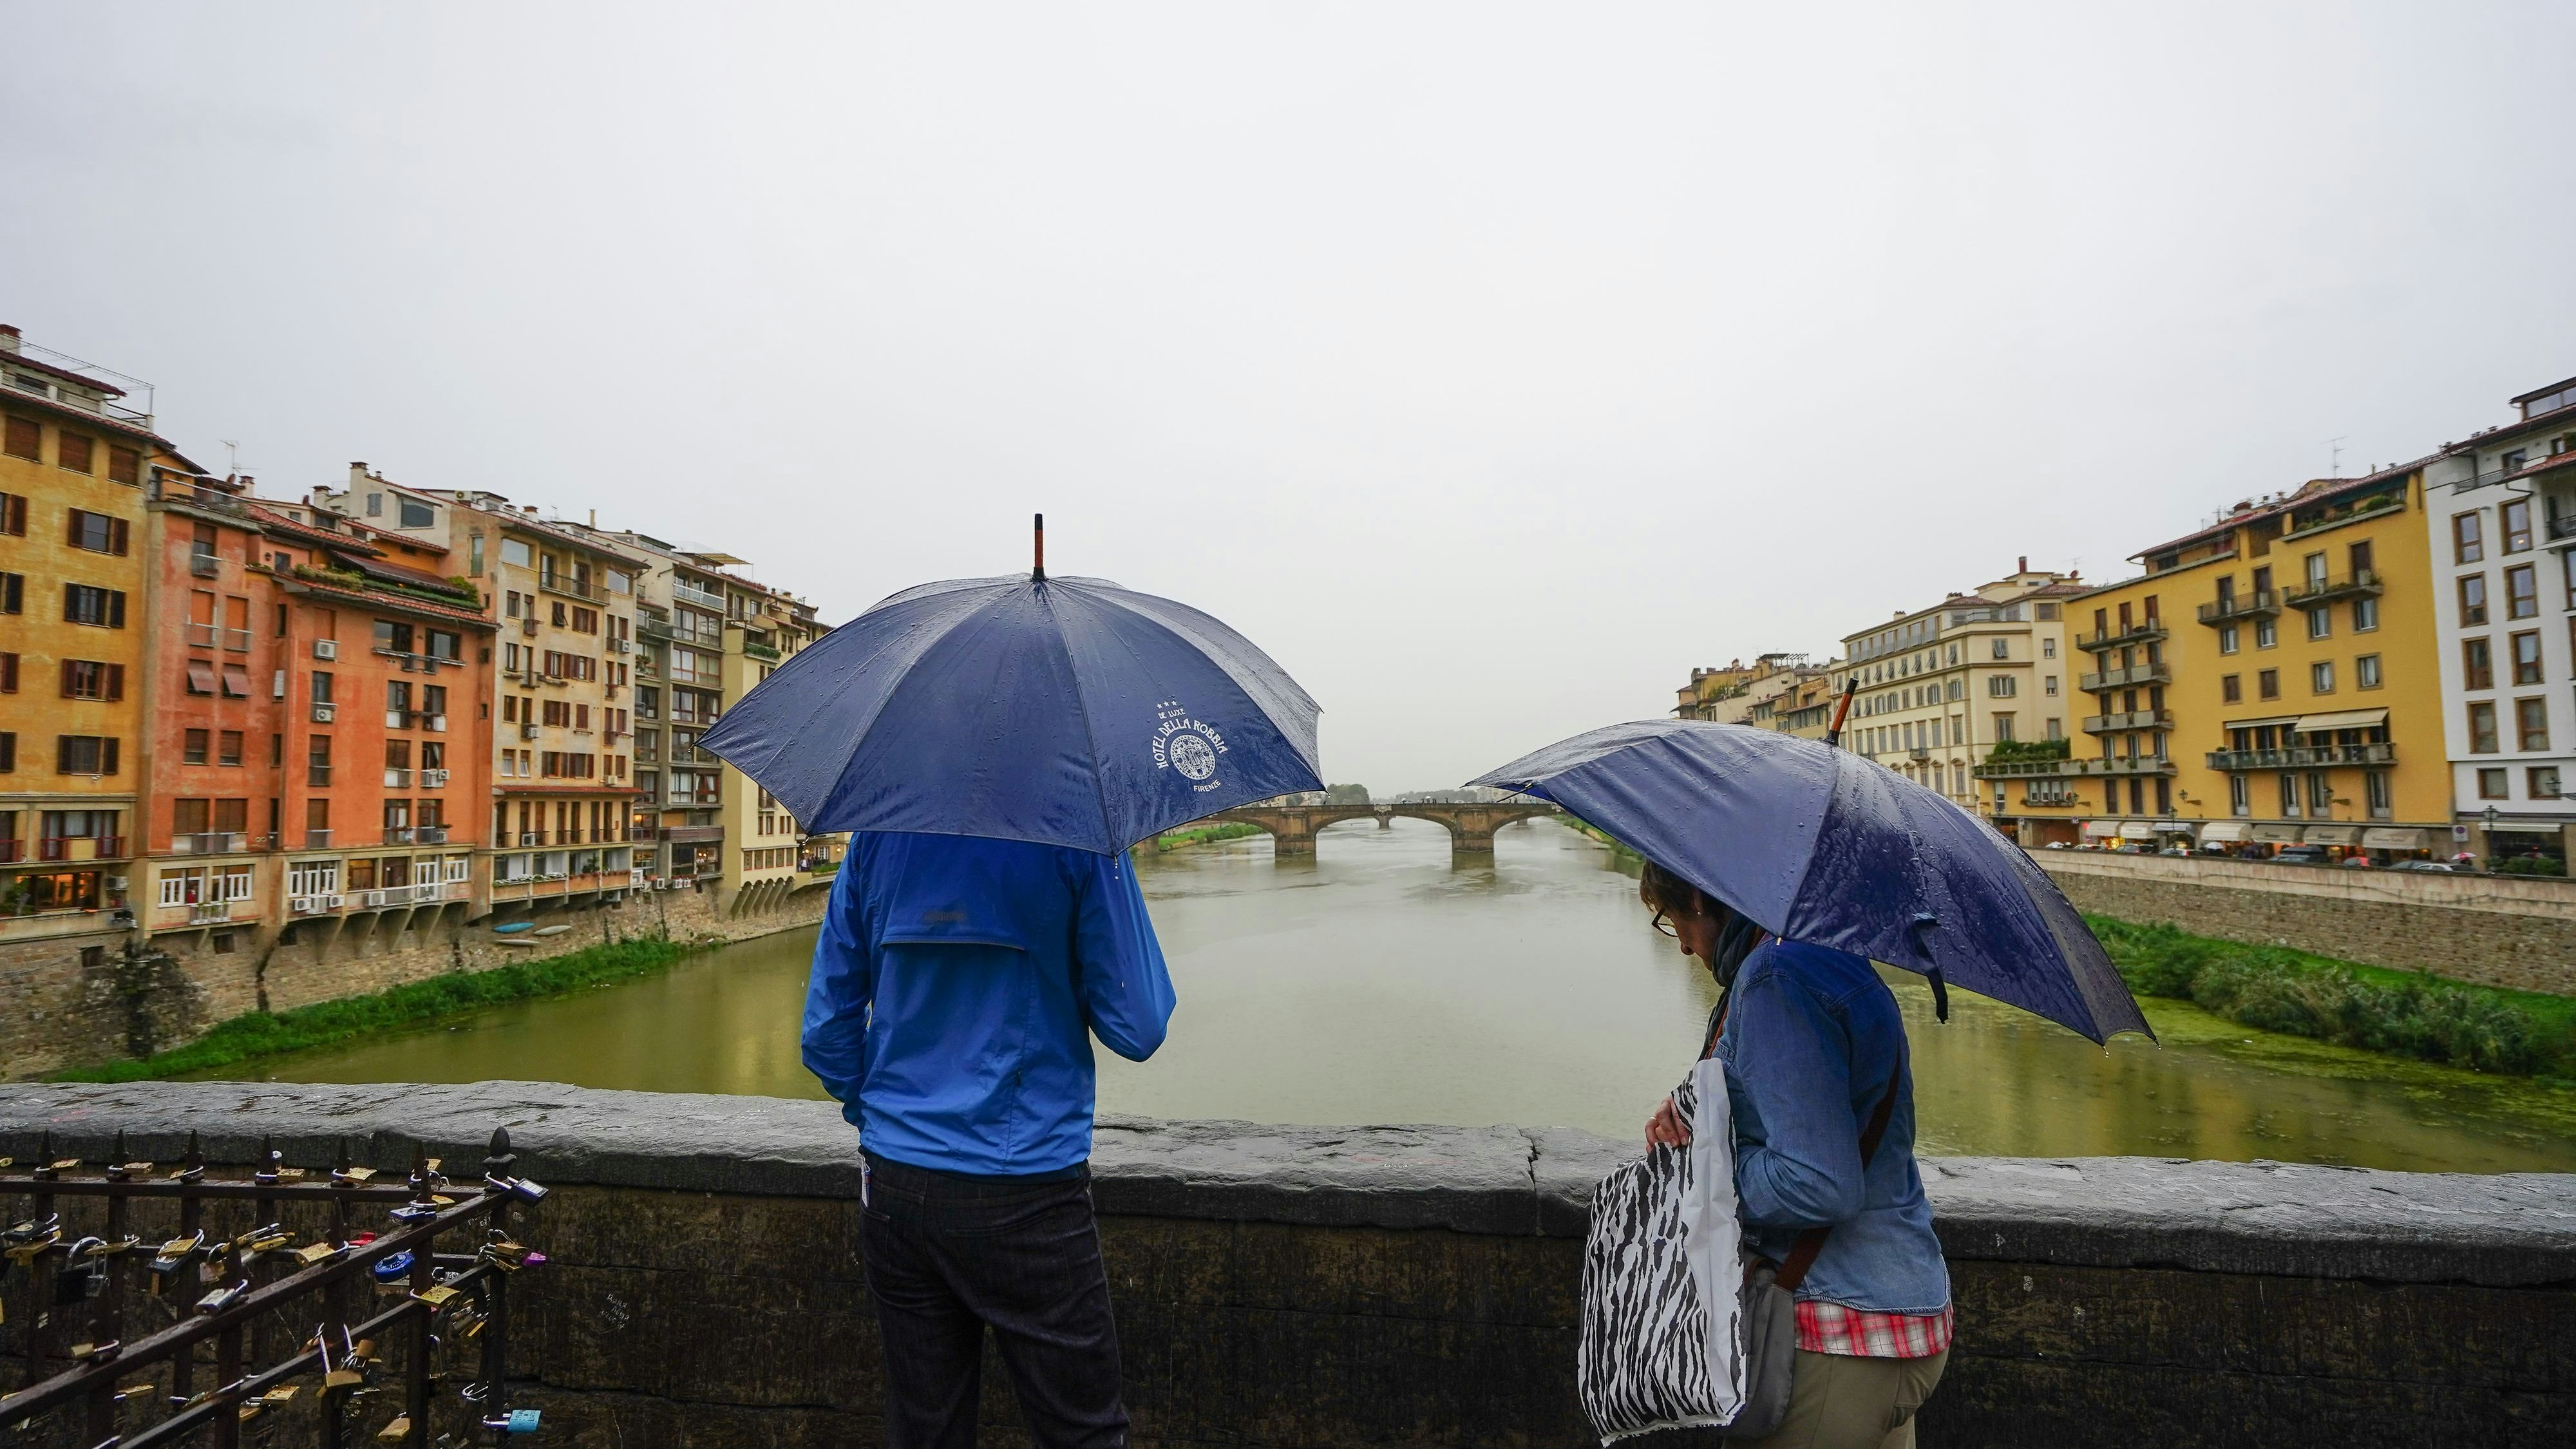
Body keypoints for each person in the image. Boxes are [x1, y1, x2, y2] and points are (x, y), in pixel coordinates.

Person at [804, 830, 1177, 1449]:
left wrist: (880, 1115)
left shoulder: (876, 842)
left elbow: (826, 1032)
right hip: (1027, 1188)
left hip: (894, 1185)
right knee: (1082, 1432)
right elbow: (1137, 1026)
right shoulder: (1080, 839)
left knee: (926, 1429)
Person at [1638, 860, 1951, 1449]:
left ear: (1702, 899)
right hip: (1897, 1312)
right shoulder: (1825, 957)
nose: (1679, 944)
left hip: (1832, 1329)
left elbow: (1816, 1183)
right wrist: (1697, 1107)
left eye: (1671, 918)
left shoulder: (1775, 977)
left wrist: (1707, 1165)